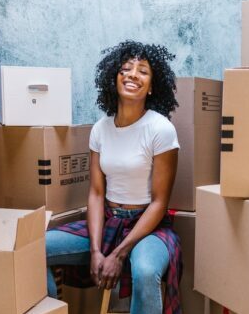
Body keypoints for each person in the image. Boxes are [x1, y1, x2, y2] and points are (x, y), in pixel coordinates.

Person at [45, 40, 183, 314]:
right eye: (126, 69)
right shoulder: (100, 129)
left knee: (145, 271)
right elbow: (96, 193)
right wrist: (96, 251)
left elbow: (159, 203)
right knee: (35, 248)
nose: (133, 74)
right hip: (108, 222)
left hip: (148, 228)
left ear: (152, 86)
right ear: (114, 77)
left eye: (143, 71)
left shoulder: (160, 129)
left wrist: (119, 254)